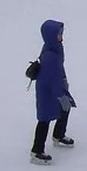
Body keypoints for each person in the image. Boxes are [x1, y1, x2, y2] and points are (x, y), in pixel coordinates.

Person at [31, 19, 76, 163]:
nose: (61, 37)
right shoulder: (51, 55)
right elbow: (51, 78)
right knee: (44, 120)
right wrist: (60, 93)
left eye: (61, 33)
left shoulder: (55, 47)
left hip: (56, 88)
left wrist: (63, 81)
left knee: (65, 108)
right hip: (48, 91)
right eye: (58, 34)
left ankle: (59, 135)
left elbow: (58, 70)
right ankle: (36, 151)